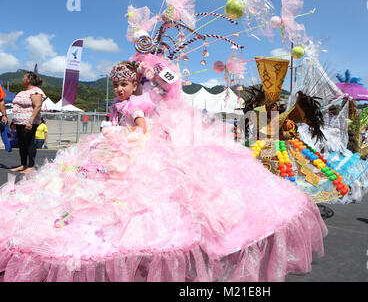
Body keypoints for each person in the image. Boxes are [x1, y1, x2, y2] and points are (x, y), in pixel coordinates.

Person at [0, 58, 327, 282]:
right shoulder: (119, 105)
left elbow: (141, 128)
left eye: (123, 85)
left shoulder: (140, 102)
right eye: (116, 85)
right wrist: (111, 136)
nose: (118, 90)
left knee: (147, 202)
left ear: (135, 84)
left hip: (133, 148)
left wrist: (127, 141)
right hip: (114, 146)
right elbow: (120, 122)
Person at [10, 71, 46, 174]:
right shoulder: (21, 92)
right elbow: (17, 107)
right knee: (21, 143)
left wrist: (30, 121)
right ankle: (23, 164)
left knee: (29, 143)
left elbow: (38, 106)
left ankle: (31, 166)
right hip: (19, 121)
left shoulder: (36, 91)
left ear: (29, 80)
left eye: (24, 77)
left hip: (29, 122)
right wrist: (14, 121)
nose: (22, 79)